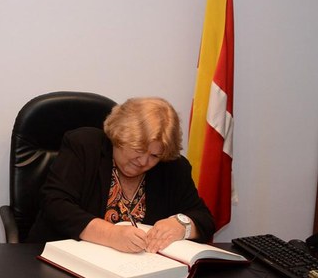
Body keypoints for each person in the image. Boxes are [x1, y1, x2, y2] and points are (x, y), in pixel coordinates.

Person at [27, 97, 215, 253]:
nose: (143, 161)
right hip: (66, 260)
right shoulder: (84, 146)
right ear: (119, 136)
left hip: (137, 273)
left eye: (154, 155)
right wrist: (111, 234)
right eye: (138, 149)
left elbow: (203, 218)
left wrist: (182, 225)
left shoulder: (173, 167)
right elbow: (55, 204)